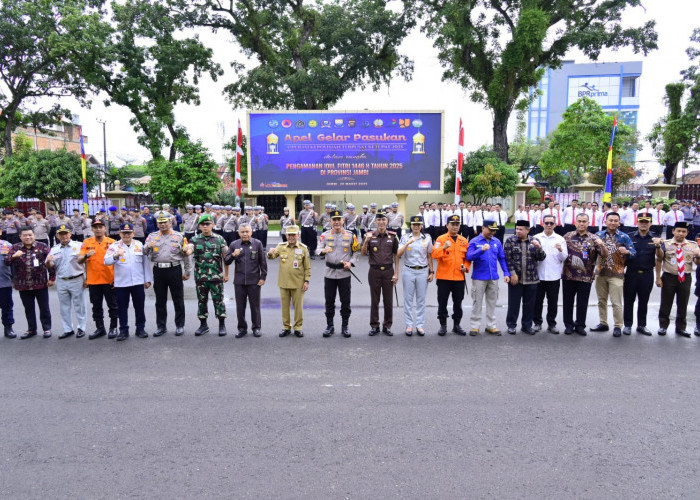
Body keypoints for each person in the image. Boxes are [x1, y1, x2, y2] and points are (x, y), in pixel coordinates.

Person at [144, 212, 192, 337]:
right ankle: (161, 326)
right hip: (158, 271)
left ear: (170, 222)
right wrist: (148, 246)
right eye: (160, 222)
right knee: (160, 300)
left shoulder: (179, 236)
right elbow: (143, 252)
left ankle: (180, 325)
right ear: (157, 224)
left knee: (178, 299)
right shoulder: (152, 236)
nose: (163, 224)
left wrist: (187, 271)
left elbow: (186, 254)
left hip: (174, 269)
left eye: (165, 222)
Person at [589, 212, 636, 337]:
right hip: (601, 272)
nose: (613, 223)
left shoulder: (624, 237)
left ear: (619, 222)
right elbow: (592, 255)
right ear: (606, 222)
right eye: (611, 220)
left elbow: (634, 252)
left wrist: (627, 251)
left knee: (616, 302)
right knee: (601, 300)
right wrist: (592, 271)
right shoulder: (598, 235)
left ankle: (617, 325)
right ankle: (603, 323)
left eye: (616, 220)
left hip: (617, 273)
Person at [104, 223, 152, 340]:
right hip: (121, 283)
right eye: (124, 233)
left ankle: (140, 328)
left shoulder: (139, 245)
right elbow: (106, 261)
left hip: (138, 282)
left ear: (133, 233)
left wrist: (148, 279)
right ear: (120, 233)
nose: (126, 235)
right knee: (122, 308)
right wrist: (115, 255)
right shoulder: (114, 246)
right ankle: (123, 330)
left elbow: (145, 263)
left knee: (139, 307)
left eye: (129, 233)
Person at [562, 214, 608, 335]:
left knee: (582, 302)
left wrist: (602, 245)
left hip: (586, 276)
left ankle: (580, 325)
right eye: (579, 221)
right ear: (575, 222)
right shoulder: (567, 236)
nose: (582, 224)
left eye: (584, 221)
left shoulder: (594, 238)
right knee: (568, 302)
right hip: (569, 275)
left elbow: (604, 255)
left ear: (588, 223)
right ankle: (568, 325)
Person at [5, 227, 54, 338]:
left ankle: (47, 329)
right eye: (25, 235)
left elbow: (50, 263)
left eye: (30, 235)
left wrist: (52, 278)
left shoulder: (42, 247)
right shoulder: (15, 247)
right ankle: (32, 329)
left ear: (34, 235)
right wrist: (14, 256)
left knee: (44, 308)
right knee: (28, 308)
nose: (28, 237)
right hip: (23, 285)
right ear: (20, 237)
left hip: (40, 283)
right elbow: (6, 262)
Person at [317, 210, 360, 338]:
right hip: (329, 273)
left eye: (338, 219)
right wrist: (323, 251)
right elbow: (317, 249)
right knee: (329, 301)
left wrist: (350, 263)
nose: (336, 222)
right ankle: (329, 326)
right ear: (330, 221)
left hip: (344, 273)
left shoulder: (351, 235)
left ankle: (345, 326)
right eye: (333, 220)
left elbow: (356, 252)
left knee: (345, 301)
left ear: (343, 221)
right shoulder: (324, 235)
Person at [466, 217, 510, 335]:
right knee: (477, 302)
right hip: (479, 277)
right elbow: (469, 257)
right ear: (483, 228)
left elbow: (502, 258)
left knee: (492, 302)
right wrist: (481, 250)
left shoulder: (497, 241)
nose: (493, 233)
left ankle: (491, 325)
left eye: (494, 230)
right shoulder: (474, 241)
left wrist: (506, 273)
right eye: (490, 230)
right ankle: (475, 326)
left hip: (493, 277)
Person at [656, 221, 700, 337]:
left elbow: (697, 262)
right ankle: (663, 326)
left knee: (683, 303)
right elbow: (659, 259)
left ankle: (681, 327)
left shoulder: (693, 245)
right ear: (673, 231)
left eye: (683, 231)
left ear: (687, 233)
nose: (681, 234)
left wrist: (698, 256)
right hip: (669, 276)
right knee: (666, 302)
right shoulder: (665, 244)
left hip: (685, 277)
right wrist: (658, 278)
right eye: (678, 231)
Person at [78, 219, 120, 339]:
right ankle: (100, 328)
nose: (98, 229)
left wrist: (117, 279)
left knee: (113, 306)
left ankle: (113, 327)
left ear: (105, 228)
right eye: (95, 227)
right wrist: (86, 255)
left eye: (100, 227)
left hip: (109, 280)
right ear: (92, 229)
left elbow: (119, 263)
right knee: (96, 306)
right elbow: (79, 260)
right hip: (93, 281)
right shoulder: (87, 242)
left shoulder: (112, 242)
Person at [224, 224, 267, 338]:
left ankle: (256, 328)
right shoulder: (234, 244)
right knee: (240, 306)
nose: (245, 234)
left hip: (254, 281)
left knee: (255, 306)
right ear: (239, 233)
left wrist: (263, 277)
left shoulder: (257, 243)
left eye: (247, 231)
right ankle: (242, 328)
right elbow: (226, 261)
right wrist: (233, 254)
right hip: (239, 281)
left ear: (251, 232)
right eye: (242, 232)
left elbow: (262, 262)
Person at [504, 220, 546, 335]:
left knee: (529, 305)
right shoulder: (510, 240)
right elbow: (508, 258)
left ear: (528, 230)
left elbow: (541, 258)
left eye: (521, 229)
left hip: (532, 278)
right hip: (516, 279)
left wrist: (539, 248)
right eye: (517, 229)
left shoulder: (535, 241)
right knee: (514, 304)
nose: (518, 231)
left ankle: (526, 326)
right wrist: (512, 274)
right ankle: (511, 325)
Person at [189, 214, 229, 337]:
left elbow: (226, 258)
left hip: (216, 277)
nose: (205, 227)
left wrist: (226, 274)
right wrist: (186, 249)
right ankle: (203, 325)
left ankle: (222, 324)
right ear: (200, 226)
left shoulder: (220, 239)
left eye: (208, 224)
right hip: (201, 278)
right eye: (203, 225)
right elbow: (189, 250)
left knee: (219, 301)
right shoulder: (194, 240)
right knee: (202, 301)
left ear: (212, 225)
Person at [361, 209, 399, 336]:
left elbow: (396, 255)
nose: (381, 222)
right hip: (374, 272)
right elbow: (363, 253)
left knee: (388, 301)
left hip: (389, 271)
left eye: (383, 220)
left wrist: (396, 273)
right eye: (379, 220)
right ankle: (374, 325)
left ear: (387, 221)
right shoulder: (370, 235)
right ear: (376, 222)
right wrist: (366, 241)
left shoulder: (392, 236)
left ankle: (387, 326)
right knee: (374, 300)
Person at [267, 225, 310, 337]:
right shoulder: (281, 247)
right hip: (284, 282)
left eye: (293, 235)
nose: (291, 237)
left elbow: (307, 267)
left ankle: (298, 327)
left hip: (298, 283)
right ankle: (286, 327)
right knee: (285, 307)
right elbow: (271, 257)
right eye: (289, 235)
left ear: (298, 235)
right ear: (286, 235)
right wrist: (270, 253)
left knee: (298, 307)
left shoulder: (303, 248)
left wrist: (306, 281)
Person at [431, 214, 469, 336]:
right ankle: (443, 325)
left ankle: (457, 325)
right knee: (442, 302)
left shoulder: (464, 240)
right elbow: (434, 254)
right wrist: (443, 247)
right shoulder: (440, 239)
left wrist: (466, 267)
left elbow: (467, 258)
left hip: (459, 277)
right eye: (452, 224)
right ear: (447, 225)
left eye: (457, 224)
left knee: (458, 303)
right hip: (444, 278)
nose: (455, 227)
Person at [47, 225, 87, 339]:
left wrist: (87, 278)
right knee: (64, 306)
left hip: (76, 278)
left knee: (80, 305)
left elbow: (86, 263)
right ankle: (67, 329)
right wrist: (49, 262)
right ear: (57, 236)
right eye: (61, 234)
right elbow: (50, 266)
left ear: (70, 234)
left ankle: (81, 328)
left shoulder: (79, 246)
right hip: (62, 280)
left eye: (66, 233)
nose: (64, 236)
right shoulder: (54, 249)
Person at [622, 215, 660, 336]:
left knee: (644, 301)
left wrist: (658, 246)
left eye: (646, 222)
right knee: (628, 300)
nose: (643, 224)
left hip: (647, 274)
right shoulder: (629, 237)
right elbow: (623, 256)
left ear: (650, 223)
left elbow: (660, 257)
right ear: (637, 223)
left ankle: (641, 325)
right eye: (641, 222)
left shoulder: (655, 238)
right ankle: (627, 325)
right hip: (631, 273)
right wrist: (621, 272)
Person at [398, 216, 433, 336]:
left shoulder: (427, 238)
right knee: (408, 299)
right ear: (410, 226)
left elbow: (429, 256)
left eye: (418, 225)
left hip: (423, 271)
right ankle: (409, 325)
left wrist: (431, 272)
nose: (416, 227)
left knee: (421, 300)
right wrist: (408, 243)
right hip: (409, 270)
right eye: (414, 224)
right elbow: (398, 254)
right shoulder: (405, 237)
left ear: (421, 226)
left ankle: (420, 325)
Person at [533, 215, 568, 334]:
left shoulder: (560, 239)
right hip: (539, 275)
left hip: (554, 276)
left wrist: (560, 250)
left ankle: (551, 324)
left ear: (555, 225)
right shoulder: (536, 238)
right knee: (537, 301)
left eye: (551, 223)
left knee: (552, 302)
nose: (548, 225)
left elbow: (564, 258)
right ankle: (537, 323)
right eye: (546, 223)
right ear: (542, 224)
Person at [0, 238, 16, 338]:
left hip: (4, 282)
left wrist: (15, 279)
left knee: (7, 307)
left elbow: (14, 264)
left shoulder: (7, 246)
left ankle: (8, 327)